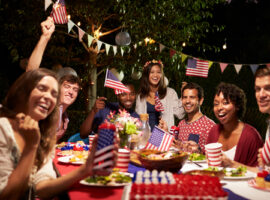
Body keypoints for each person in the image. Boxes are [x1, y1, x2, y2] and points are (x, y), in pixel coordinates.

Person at [0, 69, 114, 199]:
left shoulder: (44, 136)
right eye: (42, 88)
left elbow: (41, 188)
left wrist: (85, 170)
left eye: (54, 94)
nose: (48, 96)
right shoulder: (3, 128)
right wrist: (31, 147)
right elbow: (7, 196)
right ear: (24, 92)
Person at [26, 17, 81, 142]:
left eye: (75, 89)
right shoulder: (47, 107)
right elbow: (30, 74)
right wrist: (45, 37)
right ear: (57, 87)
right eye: (67, 86)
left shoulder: (65, 118)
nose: (71, 92)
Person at [206, 82, 263, 167]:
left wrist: (232, 164)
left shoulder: (251, 136)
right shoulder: (214, 131)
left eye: (225, 103)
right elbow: (207, 161)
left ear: (237, 106)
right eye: (216, 104)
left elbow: (259, 171)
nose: (219, 108)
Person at [160, 82, 215, 153]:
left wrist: (199, 151)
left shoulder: (209, 126)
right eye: (185, 97)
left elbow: (215, 154)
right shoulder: (181, 124)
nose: (187, 101)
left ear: (200, 101)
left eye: (192, 97)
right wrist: (166, 133)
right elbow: (177, 148)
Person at [135, 60, 184, 131]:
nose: (155, 75)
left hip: (165, 136)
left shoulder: (170, 93)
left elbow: (180, 114)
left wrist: (184, 97)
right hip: (145, 135)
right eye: (152, 72)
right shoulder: (141, 95)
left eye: (158, 72)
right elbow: (138, 118)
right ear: (146, 75)